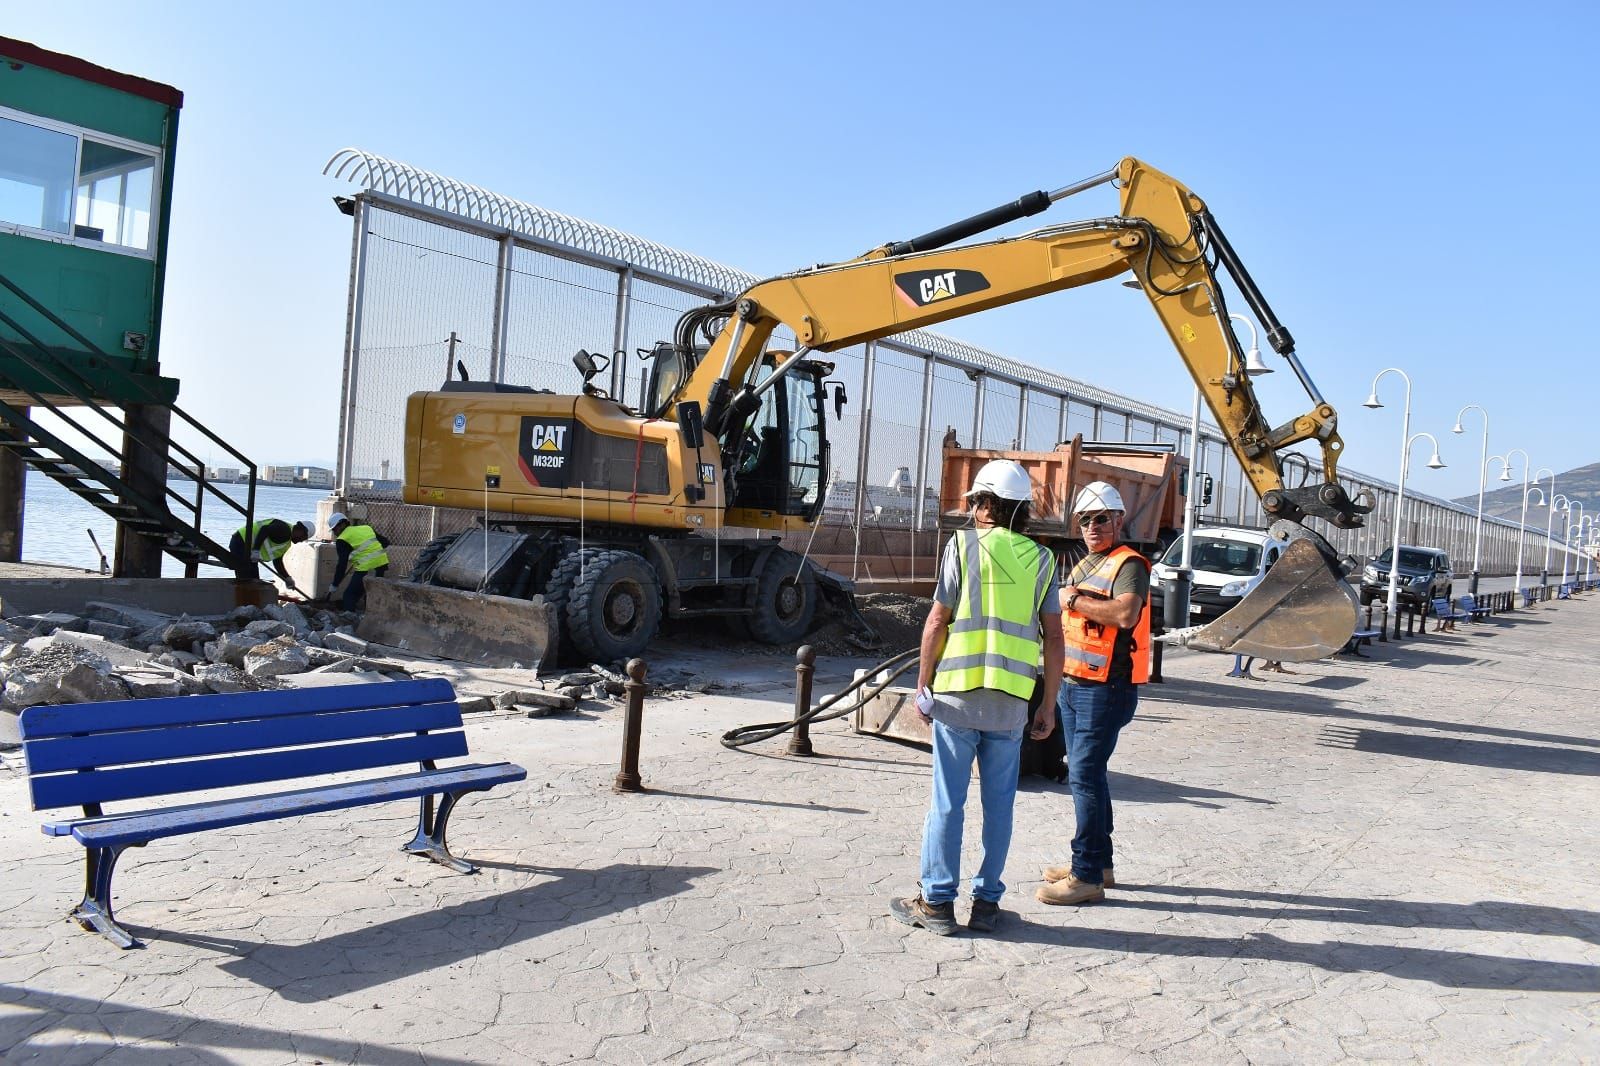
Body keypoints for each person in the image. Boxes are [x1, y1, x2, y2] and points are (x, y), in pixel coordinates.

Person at [891, 459, 1065, 936]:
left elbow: (936, 622)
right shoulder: (1042, 560)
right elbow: (1053, 638)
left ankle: (937, 903)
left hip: (956, 699)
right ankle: (986, 905)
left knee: (947, 803)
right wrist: (1047, 705)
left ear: (985, 504)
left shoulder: (962, 547)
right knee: (1000, 805)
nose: (971, 511)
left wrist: (922, 684)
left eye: (975, 503)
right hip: (1010, 704)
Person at [1038, 481, 1151, 907]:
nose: (1092, 526)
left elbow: (1124, 613)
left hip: (1105, 689)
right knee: (1090, 774)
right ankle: (1098, 863)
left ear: (1119, 520)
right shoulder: (1086, 563)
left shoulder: (1129, 564)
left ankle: (1086, 875)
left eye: (1101, 518)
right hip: (1074, 683)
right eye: (1084, 519)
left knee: (1084, 776)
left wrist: (1072, 602)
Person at [328, 512, 391, 611]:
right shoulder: (366, 528)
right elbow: (385, 542)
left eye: (335, 529)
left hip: (365, 569)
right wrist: (371, 552)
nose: (335, 533)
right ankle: (366, 616)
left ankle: (349, 619)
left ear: (343, 524)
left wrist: (335, 584)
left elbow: (342, 565)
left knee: (349, 595)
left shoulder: (342, 539)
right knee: (370, 594)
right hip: (381, 566)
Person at [228, 518, 310, 592]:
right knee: (245, 578)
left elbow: (277, 562)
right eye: (303, 537)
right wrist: (256, 550)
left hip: (250, 551)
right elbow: (264, 529)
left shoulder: (286, 543)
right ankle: (244, 602)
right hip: (241, 541)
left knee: (254, 580)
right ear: (300, 530)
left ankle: (250, 603)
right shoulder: (284, 529)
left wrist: (287, 578)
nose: (301, 541)